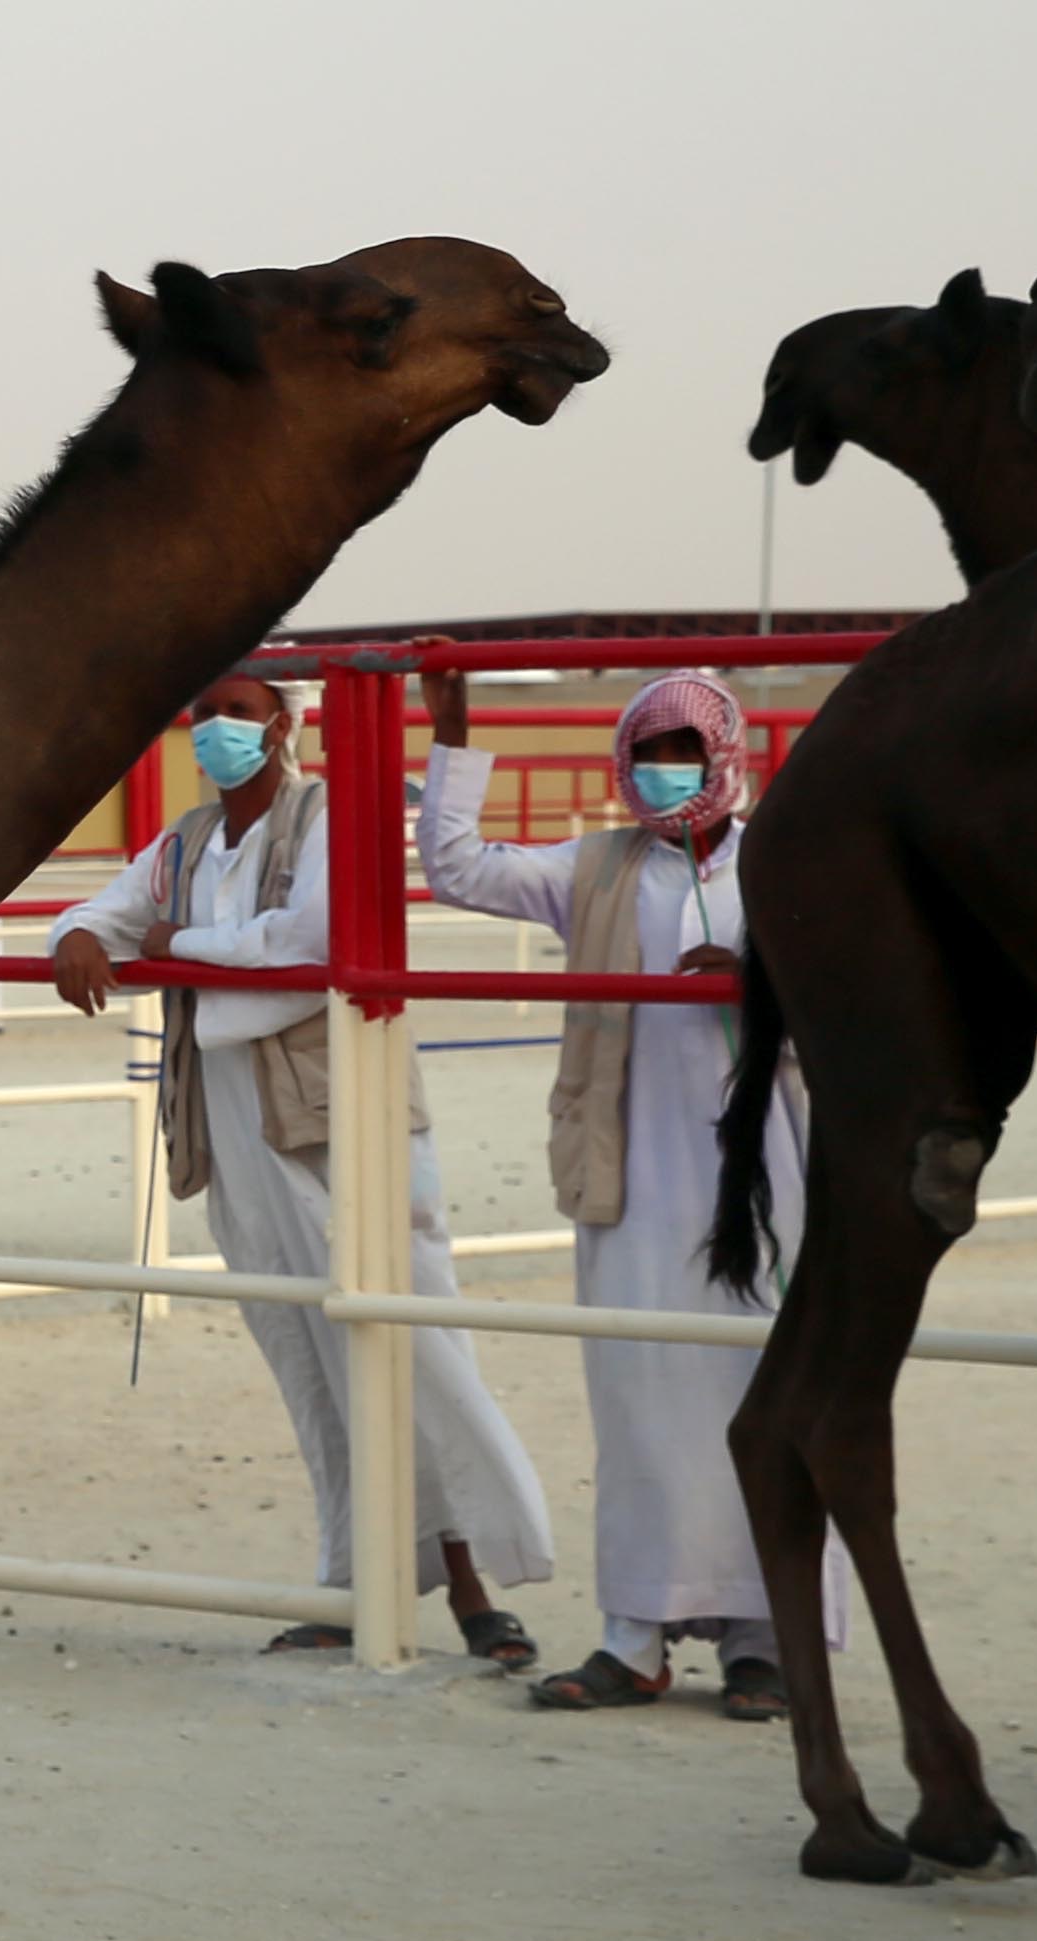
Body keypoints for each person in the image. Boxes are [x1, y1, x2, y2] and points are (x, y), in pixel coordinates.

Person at [49, 675, 553, 1659]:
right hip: (231, 1114)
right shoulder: (187, 842)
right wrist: (75, 934)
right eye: (201, 712)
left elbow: (306, 945)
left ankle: (473, 1586)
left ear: (284, 725)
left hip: (336, 1107)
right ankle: (356, 1586)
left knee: (409, 1338)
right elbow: (105, 915)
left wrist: (176, 945)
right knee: (306, 1354)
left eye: (238, 709)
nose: (216, 728)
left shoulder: (329, 817)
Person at [418, 667, 840, 1719]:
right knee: (641, 1400)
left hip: (769, 1177)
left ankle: (766, 1645)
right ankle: (633, 1641)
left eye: (684, 756)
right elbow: (458, 868)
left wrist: (754, 980)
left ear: (726, 758)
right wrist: (456, 732)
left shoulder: (790, 864)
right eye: (647, 755)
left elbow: (851, 988)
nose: (663, 775)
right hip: (628, 1173)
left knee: (768, 1395)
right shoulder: (596, 870)